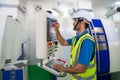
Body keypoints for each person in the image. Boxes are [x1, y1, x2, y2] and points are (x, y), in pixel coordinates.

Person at [53, 11, 96, 80]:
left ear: (82, 22)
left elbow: (81, 69)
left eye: (75, 21)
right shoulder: (76, 38)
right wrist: (56, 29)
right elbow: (63, 42)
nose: (73, 24)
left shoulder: (87, 41)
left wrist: (63, 68)